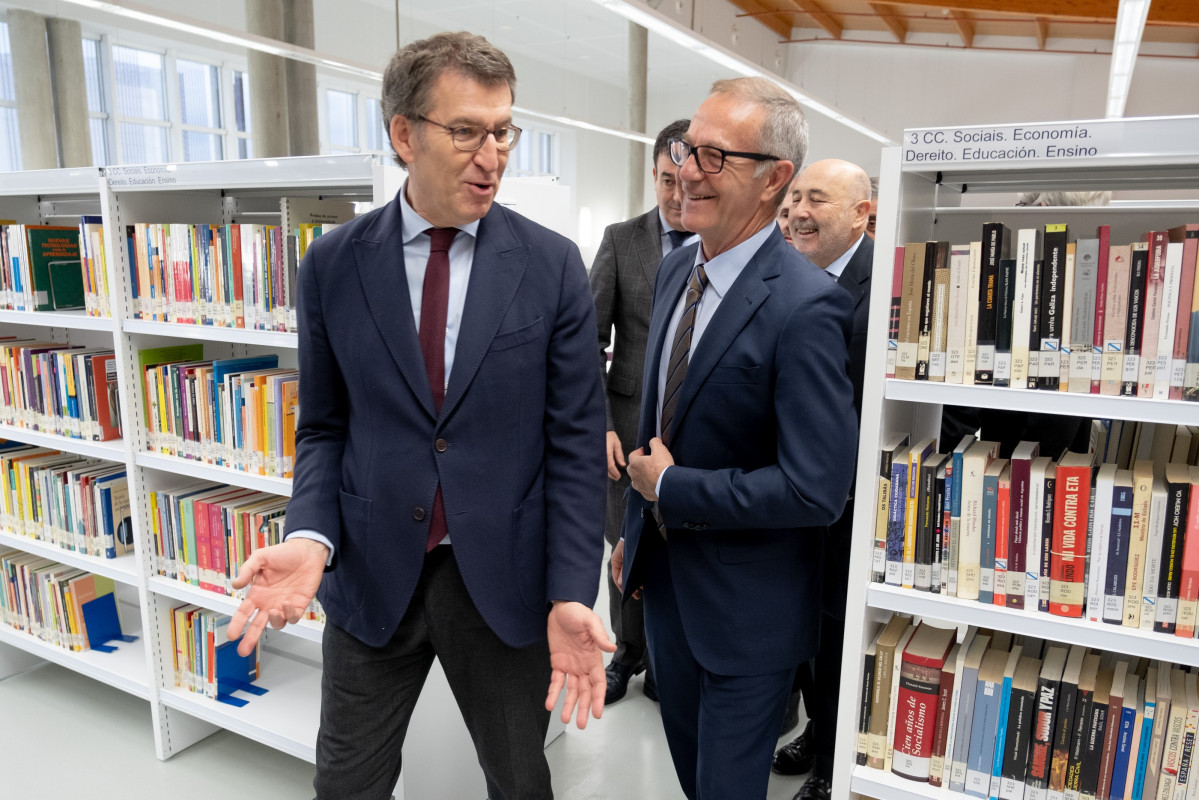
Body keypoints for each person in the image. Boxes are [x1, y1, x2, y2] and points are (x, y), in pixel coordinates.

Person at [226, 31, 614, 800]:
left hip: (502, 583)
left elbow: (572, 444)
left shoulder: (550, 263)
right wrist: (309, 534)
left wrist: (573, 586)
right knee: (345, 782)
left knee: (518, 778)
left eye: (503, 130)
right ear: (404, 134)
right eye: (466, 130)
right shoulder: (335, 264)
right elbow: (325, 426)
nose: (491, 154)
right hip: (371, 574)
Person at [613, 77, 857, 800]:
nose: (686, 169)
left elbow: (816, 489)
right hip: (667, 595)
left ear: (773, 179)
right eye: (688, 147)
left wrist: (672, 489)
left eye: (713, 156)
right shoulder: (672, 270)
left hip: (748, 617)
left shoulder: (807, 309)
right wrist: (639, 524)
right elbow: (662, 416)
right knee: (693, 781)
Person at [772, 158, 875, 800]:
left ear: (862, 212)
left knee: (839, 631)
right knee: (804, 627)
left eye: (819, 199)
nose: (800, 211)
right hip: (786, 489)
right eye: (796, 198)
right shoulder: (783, 275)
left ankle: (835, 762)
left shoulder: (888, 282)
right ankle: (817, 727)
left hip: (853, 500)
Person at [591, 118, 691, 705]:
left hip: (686, 429)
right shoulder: (621, 238)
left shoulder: (716, 237)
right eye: (665, 181)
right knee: (623, 541)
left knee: (675, 543)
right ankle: (624, 656)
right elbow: (584, 339)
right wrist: (600, 421)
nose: (677, 196)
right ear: (651, 175)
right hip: (625, 424)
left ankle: (663, 658)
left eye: (686, 181)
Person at [940, 189, 1110, 459]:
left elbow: (1051, 427)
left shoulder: (1014, 284)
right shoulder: (1095, 290)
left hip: (1018, 464)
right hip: (1042, 461)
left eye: (1020, 205)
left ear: (1039, 210)